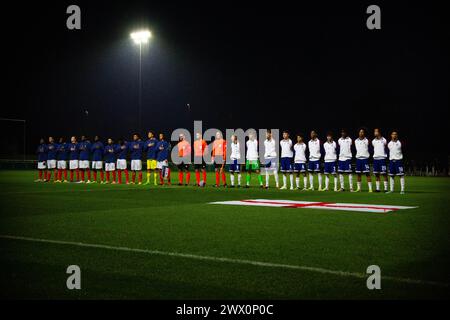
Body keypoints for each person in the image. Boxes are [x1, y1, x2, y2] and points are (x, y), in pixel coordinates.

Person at [354, 128, 373, 192]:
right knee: (358, 174)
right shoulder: (356, 141)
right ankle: (359, 188)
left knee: (367, 174)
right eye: (360, 132)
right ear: (358, 133)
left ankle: (370, 189)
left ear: (364, 133)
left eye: (362, 132)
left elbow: (370, 149)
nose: (361, 133)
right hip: (358, 159)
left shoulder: (367, 140)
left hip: (365, 159)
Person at [372, 128, 389, 192]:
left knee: (384, 174)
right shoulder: (373, 141)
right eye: (374, 131)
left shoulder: (384, 140)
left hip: (382, 159)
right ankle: (378, 189)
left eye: (376, 131)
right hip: (376, 159)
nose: (374, 133)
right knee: (376, 174)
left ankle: (385, 189)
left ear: (379, 132)